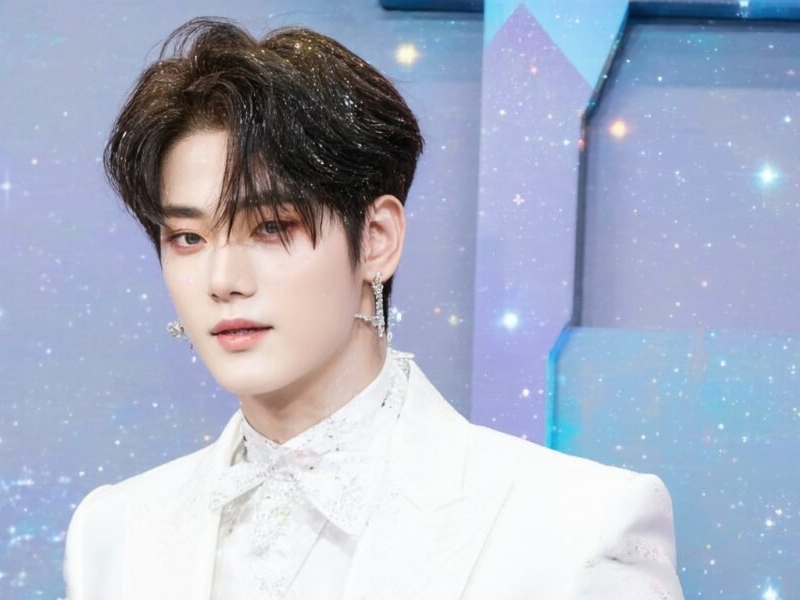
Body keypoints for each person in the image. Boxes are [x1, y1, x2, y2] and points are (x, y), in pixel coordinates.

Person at [64, 16, 684, 600]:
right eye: (187, 238)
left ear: (377, 239)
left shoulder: (579, 527)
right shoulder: (114, 532)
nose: (222, 280)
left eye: (271, 226)